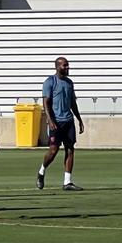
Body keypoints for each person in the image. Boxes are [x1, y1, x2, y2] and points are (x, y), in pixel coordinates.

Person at [36, 57, 85, 191]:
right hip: (56, 122)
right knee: (53, 150)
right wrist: (50, 120)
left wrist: (79, 119)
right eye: (64, 65)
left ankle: (67, 182)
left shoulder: (69, 83)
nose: (67, 68)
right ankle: (41, 171)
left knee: (70, 149)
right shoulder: (50, 82)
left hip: (68, 120)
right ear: (57, 67)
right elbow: (46, 103)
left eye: (68, 65)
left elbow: (73, 103)